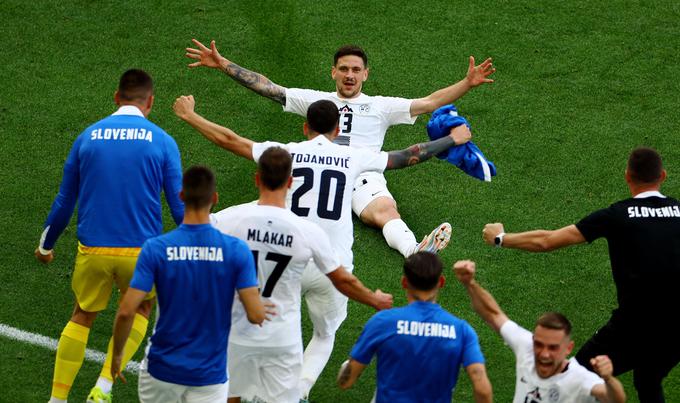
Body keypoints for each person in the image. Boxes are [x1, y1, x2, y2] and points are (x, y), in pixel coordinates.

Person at [173, 96, 471, 400]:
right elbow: (410, 154)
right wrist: (450, 139)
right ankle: (299, 391)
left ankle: (244, 382)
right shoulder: (353, 156)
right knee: (324, 333)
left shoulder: (287, 152)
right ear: (338, 128)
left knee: (266, 322)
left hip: (288, 255)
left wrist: (190, 115)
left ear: (305, 127)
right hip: (332, 263)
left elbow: (229, 139)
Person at [184, 39, 495, 258]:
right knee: (271, 207)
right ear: (333, 71)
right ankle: (206, 227)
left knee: (385, 212)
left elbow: (429, 102)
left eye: (356, 70)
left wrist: (467, 83)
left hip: (364, 175)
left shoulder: (381, 106)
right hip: (318, 168)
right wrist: (222, 64)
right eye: (344, 68)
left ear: (365, 74)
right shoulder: (316, 100)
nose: (349, 75)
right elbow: (270, 89)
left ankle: (414, 251)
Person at [481, 147, 680, 402]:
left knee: (577, 376)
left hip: (633, 325)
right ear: (662, 175)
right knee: (648, 378)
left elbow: (547, 241)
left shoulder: (616, 215)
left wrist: (500, 238)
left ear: (627, 176)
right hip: (676, 329)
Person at [35, 69, 184, 403]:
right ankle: (103, 386)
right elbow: (178, 204)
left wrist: (46, 245)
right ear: (151, 103)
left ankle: (57, 399)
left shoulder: (87, 137)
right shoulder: (162, 141)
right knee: (142, 309)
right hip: (141, 255)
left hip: (93, 251)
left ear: (116, 97)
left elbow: (64, 201)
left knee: (82, 315)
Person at [211, 146, 393, 403]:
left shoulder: (232, 219)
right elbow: (342, 279)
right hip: (282, 338)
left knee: (231, 396)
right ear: (290, 182)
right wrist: (373, 300)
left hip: (241, 329)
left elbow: (195, 236)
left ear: (256, 179)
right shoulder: (307, 231)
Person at [110, 166, 266, 402]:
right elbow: (255, 315)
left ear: (181, 195)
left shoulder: (156, 248)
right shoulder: (236, 251)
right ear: (214, 198)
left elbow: (125, 311)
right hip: (208, 375)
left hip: (161, 370)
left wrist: (118, 354)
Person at [453, 260, 626, 403]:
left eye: (553, 348)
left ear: (568, 348)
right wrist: (470, 284)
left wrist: (609, 379)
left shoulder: (580, 379)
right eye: (539, 344)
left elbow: (616, 399)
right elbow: (493, 314)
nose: (544, 354)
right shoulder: (526, 347)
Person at [338, 252, 493, 402]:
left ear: (404, 282)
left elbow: (346, 382)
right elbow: (482, 389)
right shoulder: (461, 331)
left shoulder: (382, 323)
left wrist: (347, 365)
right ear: (441, 282)